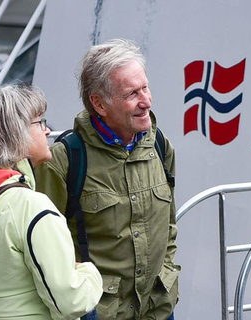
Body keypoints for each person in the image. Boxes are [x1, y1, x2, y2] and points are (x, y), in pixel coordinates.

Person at [35, 38, 179, 320]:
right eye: (131, 94)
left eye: (145, 87)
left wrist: (168, 273)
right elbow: (45, 250)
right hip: (97, 313)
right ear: (99, 104)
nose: (146, 101)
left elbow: (170, 224)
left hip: (158, 308)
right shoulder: (65, 160)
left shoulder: (161, 146)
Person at [0, 84, 103, 319]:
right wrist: (89, 273)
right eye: (39, 122)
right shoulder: (32, 207)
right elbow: (70, 302)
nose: (47, 131)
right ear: (17, 132)